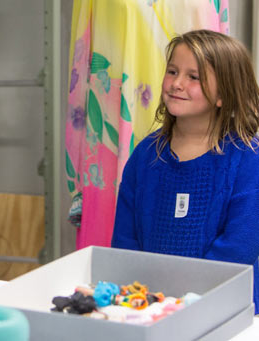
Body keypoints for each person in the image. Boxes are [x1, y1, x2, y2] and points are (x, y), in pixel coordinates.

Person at [111, 30, 259, 313]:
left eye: (193, 77)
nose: (177, 84)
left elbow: (240, 246)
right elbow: (125, 242)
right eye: (172, 71)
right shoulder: (145, 155)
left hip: (228, 311)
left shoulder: (249, 158)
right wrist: (147, 301)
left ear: (224, 94)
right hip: (152, 308)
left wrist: (187, 301)